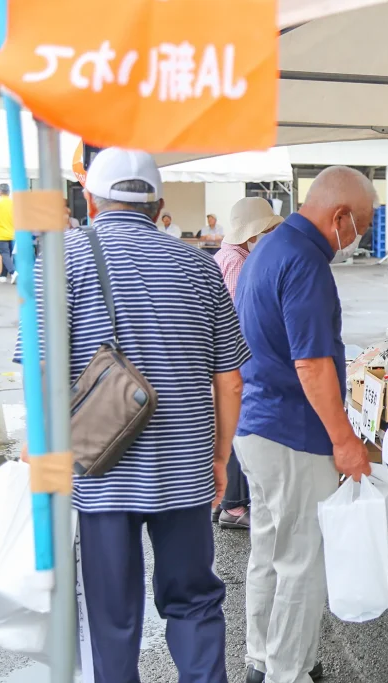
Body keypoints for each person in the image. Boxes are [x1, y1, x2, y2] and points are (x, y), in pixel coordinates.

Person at [15, 148, 250, 681]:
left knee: (112, 615)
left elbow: (41, 373)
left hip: (100, 477)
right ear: (159, 206)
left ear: (92, 203)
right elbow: (231, 379)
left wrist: (40, 458)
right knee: (194, 603)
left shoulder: (61, 261)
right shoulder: (201, 265)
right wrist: (217, 460)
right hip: (185, 473)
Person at [234, 166, 374, 683]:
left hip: (258, 424)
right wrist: (344, 440)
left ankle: (262, 660)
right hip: (292, 430)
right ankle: (286, 673)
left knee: (270, 552)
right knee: (301, 561)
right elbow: (312, 365)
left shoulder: (268, 249)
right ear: (339, 216)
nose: (356, 236)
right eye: (358, 224)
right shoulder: (305, 263)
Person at [212, 197, 284, 530]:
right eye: (267, 230)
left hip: (225, 359)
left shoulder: (227, 256)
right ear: (252, 234)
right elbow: (244, 316)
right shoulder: (238, 263)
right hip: (237, 359)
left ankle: (225, 500)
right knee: (241, 429)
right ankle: (234, 507)